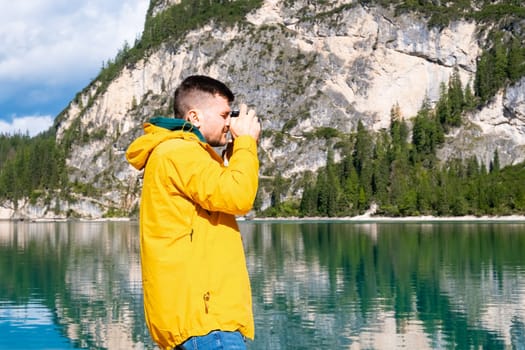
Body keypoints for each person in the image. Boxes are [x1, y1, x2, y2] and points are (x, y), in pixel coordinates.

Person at [126, 75, 261, 350]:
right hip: (208, 323)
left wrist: (233, 158)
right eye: (224, 114)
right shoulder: (181, 152)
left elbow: (216, 200)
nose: (229, 122)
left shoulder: (174, 152)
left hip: (192, 320)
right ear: (195, 117)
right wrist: (247, 143)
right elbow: (238, 197)